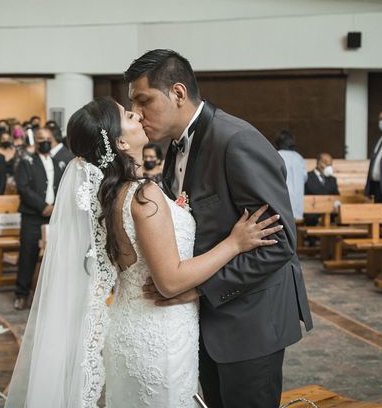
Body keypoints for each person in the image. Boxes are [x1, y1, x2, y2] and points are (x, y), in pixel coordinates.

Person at [5, 97, 281, 407]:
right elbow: (171, 282)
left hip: (129, 327)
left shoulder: (112, 194)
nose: (137, 113)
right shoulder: (143, 195)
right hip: (159, 333)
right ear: (120, 141)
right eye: (126, 114)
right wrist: (234, 243)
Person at [127, 49, 312, 408]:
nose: (136, 112)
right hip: (207, 321)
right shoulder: (175, 148)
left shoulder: (236, 140)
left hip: (251, 321)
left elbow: (279, 242)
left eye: (143, 99)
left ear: (178, 93)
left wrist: (199, 290)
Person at [12, 127, 65, 310]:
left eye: (48, 138)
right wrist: (43, 207)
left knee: (55, 256)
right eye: (41, 138)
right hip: (33, 216)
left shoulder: (58, 162)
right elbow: (23, 188)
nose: (45, 141)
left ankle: (50, 295)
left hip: (55, 216)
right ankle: (22, 294)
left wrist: (56, 207)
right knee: (28, 253)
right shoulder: (26, 162)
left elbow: (63, 187)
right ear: (35, 141)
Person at [275, 130, 307, 221]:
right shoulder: (299, 157)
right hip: (297, 204)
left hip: (282, 203)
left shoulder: (277, 155)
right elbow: (304, 178)